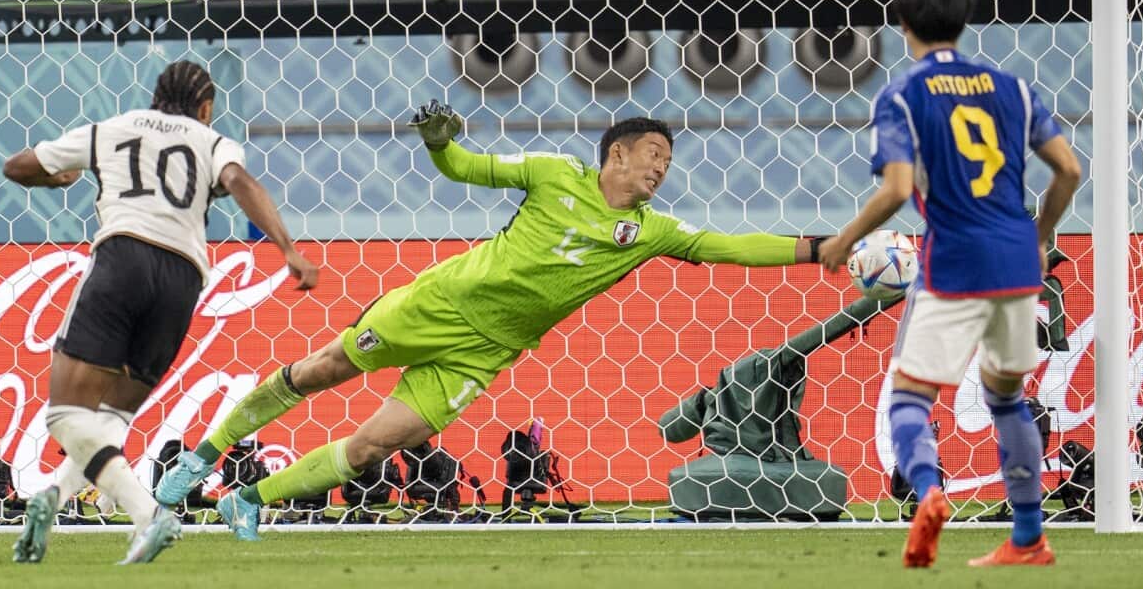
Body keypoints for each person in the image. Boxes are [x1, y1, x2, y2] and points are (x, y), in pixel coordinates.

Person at [157, 104, 827, 539]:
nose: (661, 166)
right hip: (438, 306)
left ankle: (247, 502)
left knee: (370, 448)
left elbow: (730, 247)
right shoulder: (553, 173)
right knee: (317, 371)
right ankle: (201, 457)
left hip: (484, 353)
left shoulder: (650, 231)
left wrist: (817, 250)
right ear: (615, 154)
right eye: (653, 151)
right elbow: (467, 167)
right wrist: (437, 143)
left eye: (668, 160)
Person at [2, 60, 319, 563]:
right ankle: (53, 500)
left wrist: (55, 179)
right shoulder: (215, 143)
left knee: (66, 415)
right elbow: (242, 183)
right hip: (183, 280)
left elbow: (17, 165)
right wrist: (288, 250)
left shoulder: (114, 128)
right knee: (110, 421)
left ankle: (149, 517)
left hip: (122, 259)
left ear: (156, 98)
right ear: (206, 107)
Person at [818, 0, 1082, 568]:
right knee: (1006, 396)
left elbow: (897, 188)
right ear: (965, 20)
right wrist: (1039, 235)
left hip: (955, 259)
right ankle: (1027, 538)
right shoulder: (1012, 89)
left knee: (910, 395)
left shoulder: (902, 95)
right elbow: (1068, 170)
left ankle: (927, 490)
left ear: (902, 22)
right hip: (1018, 261)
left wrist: (844, 239)